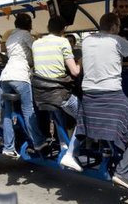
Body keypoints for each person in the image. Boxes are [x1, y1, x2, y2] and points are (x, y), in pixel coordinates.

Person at [77, 13, 128, 193]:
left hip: (88, 97)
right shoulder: (118, 41)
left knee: (119, 124)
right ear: (116, 26)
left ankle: (112, 153)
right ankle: (123, 172)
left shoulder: (86, 41)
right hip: (111, 95)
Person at [32, 16, 82, 172]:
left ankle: (63, 145)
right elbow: (74, 72)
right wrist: (80, 61)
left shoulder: (36, 43)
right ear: (63, 30)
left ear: (48, 27)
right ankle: (71, 153)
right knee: (85, 116)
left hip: (40, 94)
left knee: (59, 110)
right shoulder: (63, 42)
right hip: (58, 93)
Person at [0, 13, 47, 158]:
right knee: (28, 110)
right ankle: (38, 142)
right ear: (28, 24)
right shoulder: (26, 35)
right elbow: (36, 49)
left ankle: (8, 146)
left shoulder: (11, 37)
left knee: (7, 113)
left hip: (6, 76)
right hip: (20, 76)